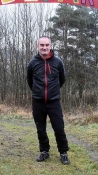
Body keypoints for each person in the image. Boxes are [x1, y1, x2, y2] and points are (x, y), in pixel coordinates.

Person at [26, 36, 70, 165]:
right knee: (41, 129)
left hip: (54, 102)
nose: (44, 47)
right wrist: (37, 92)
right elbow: (30, 81)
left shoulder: (58, 62)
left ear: (51, 46)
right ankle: (44, 151)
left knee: (59, 128)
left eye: (46, 45)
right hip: (38, 102)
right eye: (41, 45)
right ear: (37, 47)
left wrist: (53, 92)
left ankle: (63, 152)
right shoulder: (32, 63)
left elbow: (62, 79)